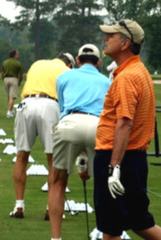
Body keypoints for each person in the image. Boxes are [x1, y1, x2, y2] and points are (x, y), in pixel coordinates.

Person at [94, 19, 161, 240]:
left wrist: (114, 167)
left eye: (111, 35)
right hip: (133, 159)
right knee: (139, 222)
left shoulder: (127, 77)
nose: (106, 38)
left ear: (125, 43)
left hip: (118, 158)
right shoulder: (139, 70)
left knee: (112, 228)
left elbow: (124, 123)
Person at [48, 44, 111, 240]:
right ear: (99, 62)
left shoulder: (64, 76)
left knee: (58, 182)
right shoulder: (107, 82)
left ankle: (55, 238)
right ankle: (106, 233)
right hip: (97, 126)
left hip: (69, 123)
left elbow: (63, 107)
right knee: (103, 183)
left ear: (77, 60)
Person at [9, 53, 75, 220]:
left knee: (21, 156)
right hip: (50, 105)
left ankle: (19, 206)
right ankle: (50, 209)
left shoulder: (37, 62)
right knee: (53, 159)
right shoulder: (66, 71)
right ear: (69, 64)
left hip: (26, 104)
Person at [1, 50, 24, 118]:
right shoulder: (17, 63)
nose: (18, 55)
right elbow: (21, 75)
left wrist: (3, 79)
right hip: (14, 79)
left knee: (9, 96)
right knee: (12, 97)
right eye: (17, 54)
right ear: (14, 55)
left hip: (6, 79)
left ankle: (11, 110)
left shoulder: (5, 62)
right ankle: (9, 111)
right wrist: (19, 81)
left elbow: (2, 72)